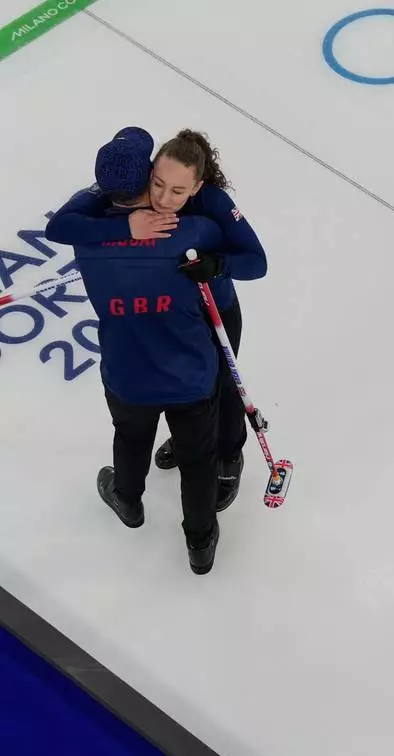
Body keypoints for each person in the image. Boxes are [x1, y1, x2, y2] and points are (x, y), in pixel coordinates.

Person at [45, 129, 268, 512]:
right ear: (149, 170)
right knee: (188, 391)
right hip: (171, 312)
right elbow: (60, 227)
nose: (164, 200)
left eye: (178, 192)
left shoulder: (212, 202)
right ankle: (193, 443)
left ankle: (229, 456)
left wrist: (218, 265)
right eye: (158, 184)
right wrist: (125, 227)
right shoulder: (122, 190)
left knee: (220, 383)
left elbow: (257, 262)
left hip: (214, 311)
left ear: (196, 187)